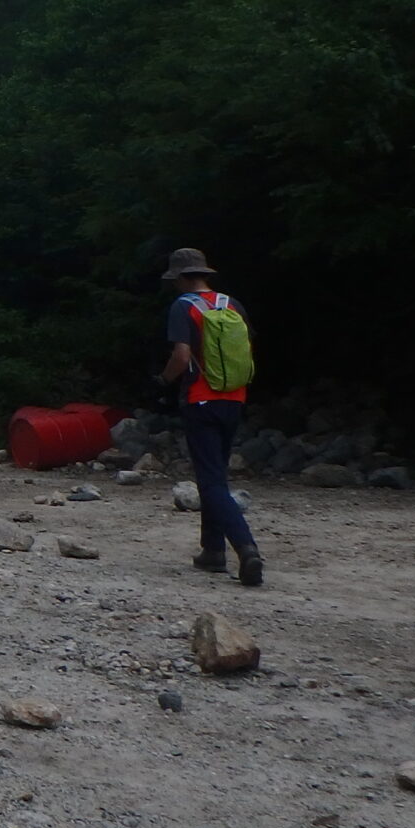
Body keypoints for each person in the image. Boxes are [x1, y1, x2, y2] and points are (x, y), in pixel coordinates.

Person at [160, 247, 263, 587]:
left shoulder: (184, 306)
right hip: (234, 397)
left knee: (211, 481)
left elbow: (182, 356)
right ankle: (213, 550)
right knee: (216, 476)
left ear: (180, 278)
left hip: (200, 399)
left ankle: (246, 548)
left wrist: (163, 380)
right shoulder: (231, 304)